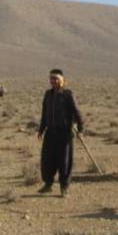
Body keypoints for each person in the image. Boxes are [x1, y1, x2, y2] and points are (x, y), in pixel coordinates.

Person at [37, 68, 84, 196]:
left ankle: (64, 187)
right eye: (51, 79)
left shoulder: (68, 94)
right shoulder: (48, 94)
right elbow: (44, 114)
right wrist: (41, 130)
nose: (53, 81)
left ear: (62, 81)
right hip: (50, 133)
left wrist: (80, 129)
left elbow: (77, 112)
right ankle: (48, 184)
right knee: (47, 160)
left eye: (56, 79)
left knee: (64, 162)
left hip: (65, 134)